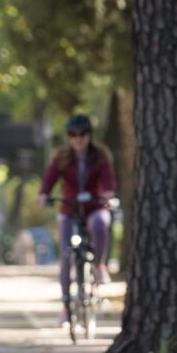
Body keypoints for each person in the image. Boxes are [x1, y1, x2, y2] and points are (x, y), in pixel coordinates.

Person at [37, 115, 117, 327]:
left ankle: (99, 265)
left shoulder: (100, 156)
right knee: (65, 255)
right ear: (69, 137)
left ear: (89, 135)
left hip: (94, 206)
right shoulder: (62, 157)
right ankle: (66, 306)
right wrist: (44, 194)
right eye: (73, 135)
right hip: (69, 209)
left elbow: (109, 181)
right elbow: (50, 178)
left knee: (100, 223)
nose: (78, 139)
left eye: (82, 134)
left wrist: (108, 194)